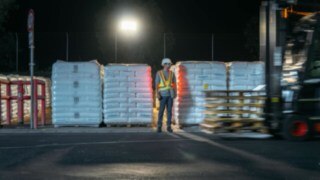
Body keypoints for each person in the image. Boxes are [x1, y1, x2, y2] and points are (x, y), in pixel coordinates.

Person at [155, 58, 177, 133]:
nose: (169, 65)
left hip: (170, 95)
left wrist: (175, 93)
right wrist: (157, 94)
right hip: (162, 95)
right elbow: (157, 84)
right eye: (168, 64)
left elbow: (174, 84)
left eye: (170, 64)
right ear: (164, 64)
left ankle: (168, 126)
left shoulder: (172, 73)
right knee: (161, 111)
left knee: (169, 111)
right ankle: (159, 126)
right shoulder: (159, 73)